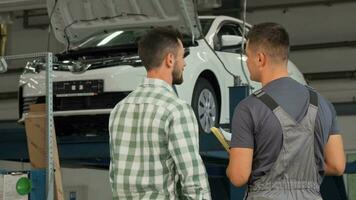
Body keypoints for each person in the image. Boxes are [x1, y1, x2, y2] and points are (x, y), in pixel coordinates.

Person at [226, 22, 345, 199]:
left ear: (260, 59)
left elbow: (239, 176)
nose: (247, 61)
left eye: (247, 56)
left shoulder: (248, 108)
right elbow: (337, 165)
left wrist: (235, 161)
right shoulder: (323, 104)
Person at [109, 27, 211, 200]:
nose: (184, 64)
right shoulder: (176, 109)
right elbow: (193, 178)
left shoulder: (119, 109)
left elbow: (114, 175)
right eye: (182, 57)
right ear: (170, 60)